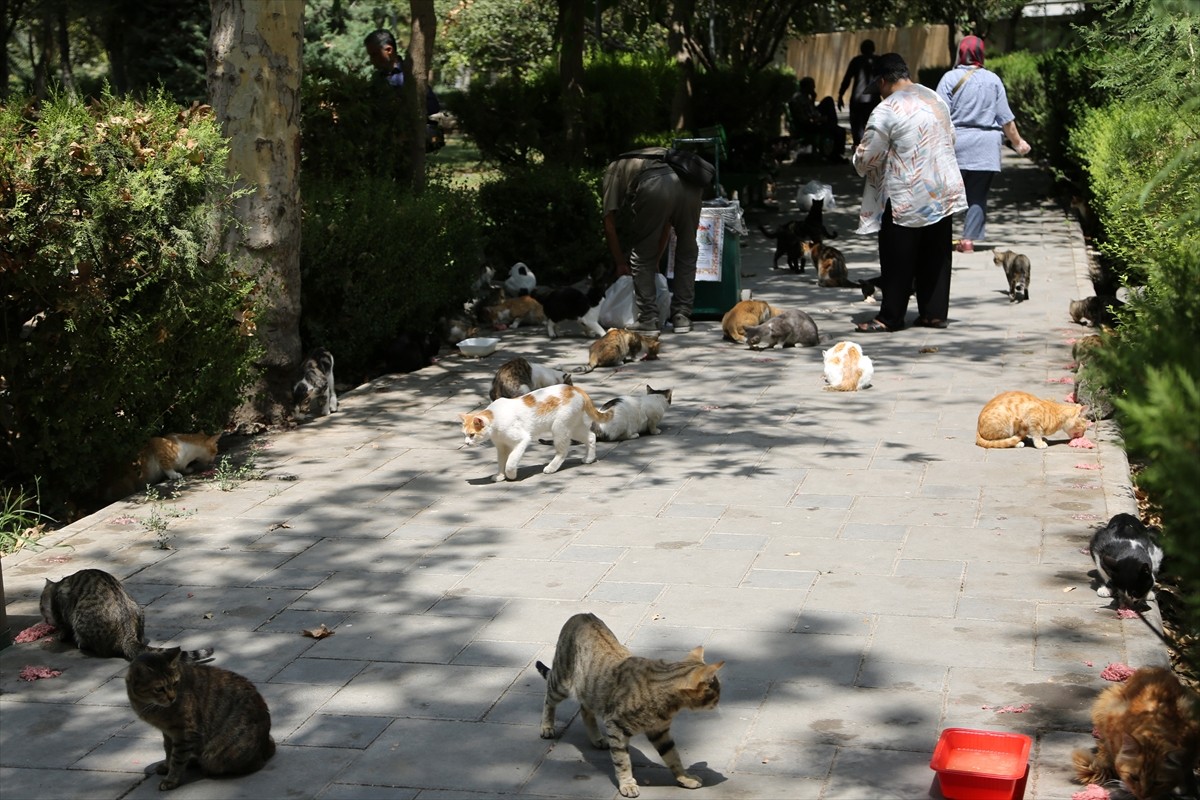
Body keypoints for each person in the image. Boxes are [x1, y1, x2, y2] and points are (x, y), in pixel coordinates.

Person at [851, 53, 967, 333]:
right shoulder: (934, 97)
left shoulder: (886, 109)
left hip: (906, 193)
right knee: (936, 253)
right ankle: (934, 314)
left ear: (882, 81)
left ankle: (890, 317)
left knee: (897, 256)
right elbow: (950, 137)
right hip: (941, 189)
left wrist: (857, 158)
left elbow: (867, 159)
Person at [935, 35, 1031, 253]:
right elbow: (1006, 119)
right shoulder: (993, 80)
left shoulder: (949, 79)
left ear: (961, 53)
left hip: (956, 145)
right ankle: (968, 240)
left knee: (947, 193)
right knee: (977, 195)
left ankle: (940, 238)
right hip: (986, 147)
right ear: (981, 53)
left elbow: (938, 114)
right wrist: (1019, 143)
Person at [602, 148, 705, 335]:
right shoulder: (659, 156)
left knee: (641, 256)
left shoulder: (614, 167)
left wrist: (620, 262)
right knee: (687, 250)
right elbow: (665, 224)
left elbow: (609, 223)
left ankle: (648, 318)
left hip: (656, 184)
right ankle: (682, 317)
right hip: (690, 183)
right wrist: (656, 259)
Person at [364, 29, 443, 149]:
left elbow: (432, 106)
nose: (372, 60)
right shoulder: (377, 79)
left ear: (389, 50)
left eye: (374, 54)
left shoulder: (410, 75)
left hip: (409, 146)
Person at [788, 77, 848, 163]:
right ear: (806, 87)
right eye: (812, 86)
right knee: (839, 131)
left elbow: (811, 110)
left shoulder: (804, 97)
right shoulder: (800, 99)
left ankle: (832, 125)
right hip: (808, 126)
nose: (814, 88)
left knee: (828, 100)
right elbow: (806, 118)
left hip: (810, 121)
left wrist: (813, 99)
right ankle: (835, 155)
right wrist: (819, 119)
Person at [837, 39, 882, 148]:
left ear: (861, 50)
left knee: (857, 130)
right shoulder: (879, 61)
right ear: (873, 49)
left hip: (857, 100)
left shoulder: (856, 61)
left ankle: (858, 154)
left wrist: (840, 95)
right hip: (873, 101)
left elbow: (847, 79)